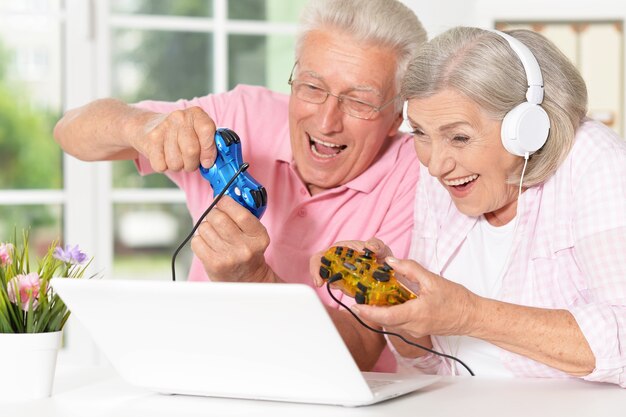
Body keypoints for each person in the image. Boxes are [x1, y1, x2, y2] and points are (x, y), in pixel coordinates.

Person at [53, 0, 427, 372]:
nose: (328, 121)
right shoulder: (242, 114)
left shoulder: (417, 170)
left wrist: (254, 279)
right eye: (312, 87)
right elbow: (70, 131)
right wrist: (142, 128)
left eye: (359, 101)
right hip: (204, 376)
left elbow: (362, 348)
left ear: (396, 116)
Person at [313, 27, 626, 387]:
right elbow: (430, 367)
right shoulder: (442, 175)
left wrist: (469, 314)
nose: (435, 164)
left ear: (528, 130)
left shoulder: (596, 163)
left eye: (459, 137)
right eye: (420, 133)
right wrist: (395, 300)